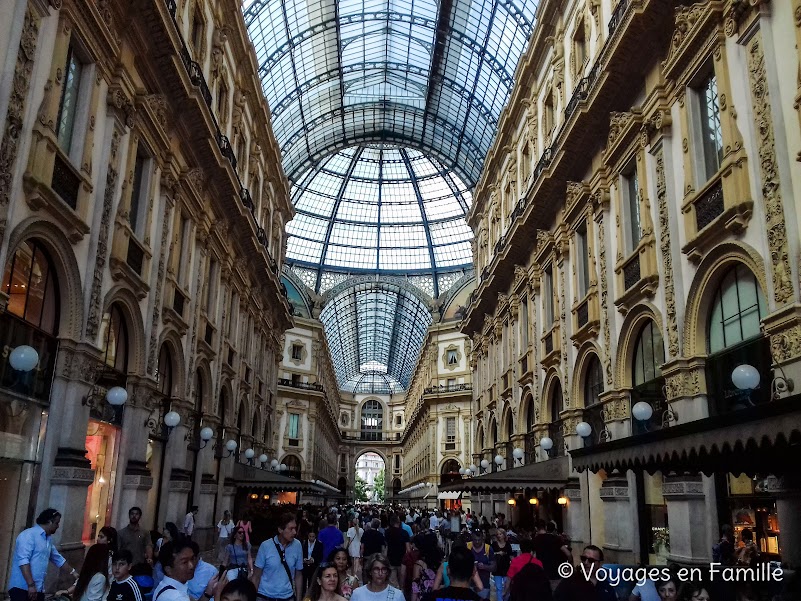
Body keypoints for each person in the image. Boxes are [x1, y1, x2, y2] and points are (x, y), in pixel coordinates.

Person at [8, 508, 78, 601]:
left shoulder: (47, 539)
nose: (58, 526)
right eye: (56, 523)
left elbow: (57, 559)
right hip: (22, 588)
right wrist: (31, 585)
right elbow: (23, 561)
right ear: (49, 522)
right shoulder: (28, 535)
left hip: (38, 589)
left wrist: (74, 572)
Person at [252, 512, 304, 601]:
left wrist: (298, 599)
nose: (294, 532)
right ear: (280, 529)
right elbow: (256, 576)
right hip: (264, 596)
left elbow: (298, 575)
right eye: (291, 529)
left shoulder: (297, 545)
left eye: (295, 528)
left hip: (287, 597)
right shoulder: (266, 546)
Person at [153, 539, 218, 601]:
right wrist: (218, 594)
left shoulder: (165, 585)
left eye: (192, 559)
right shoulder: (176, 597)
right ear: (168, 570)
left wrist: (208, 593)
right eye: (184, 562)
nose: (191, 566)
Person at [532, 521, 570, 588]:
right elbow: (568, 554)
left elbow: (534, 557)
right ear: (545, 527)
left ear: (536, 528)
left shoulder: (535, 540)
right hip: (557, 573)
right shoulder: (555, 539)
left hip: (543, 574)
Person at [119, 507, 153, 573]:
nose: (134, 516)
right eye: (132, 514)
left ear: (140, 516)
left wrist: (149, 558)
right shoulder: (121, 533)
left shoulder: (145, 532)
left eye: (136, 514)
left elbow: (148, 546)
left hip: (139, 565)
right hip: (125, 565)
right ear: (129, 516)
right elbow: (119, 549)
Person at [466, 530, 494, 601]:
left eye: (479, 540)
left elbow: (494, 567)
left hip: (484, 584)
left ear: (483, 539)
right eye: (475, 540)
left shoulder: (488, 549)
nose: (477, 542)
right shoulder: (467, 547)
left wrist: (484, 566)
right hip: (469, 584)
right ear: (472, 539)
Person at [385, 516, 411, 589]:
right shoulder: (404, 533)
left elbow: (385, 547)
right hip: (402, 560)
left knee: (392, 582)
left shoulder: (387, 532)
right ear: (399, 522)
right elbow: (408, 549)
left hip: (390, 559)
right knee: (402, 581)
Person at [491, 529, 513, 601]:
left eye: (500, 534)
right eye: (498, 534)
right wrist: (498, 553)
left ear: (504, 535)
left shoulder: (508, 544)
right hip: (497, 568)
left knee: (507, 587)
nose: (499, 535)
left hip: (506, 568)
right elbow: (490, 555)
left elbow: (510, 555)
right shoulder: (494, 544)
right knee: (498, 588)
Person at [303, 532, 325, 596]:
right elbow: (302, 552)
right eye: (310, 536)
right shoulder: (304, 543)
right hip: (305, 565)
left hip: (314, 566)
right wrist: (304, 559)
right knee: (304, 581)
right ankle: (303, 594)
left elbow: (320, 555)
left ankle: (311, 594)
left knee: (312, 581)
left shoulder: (319, 544)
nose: (311, 538)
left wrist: (313, 560)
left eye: (313, 536)